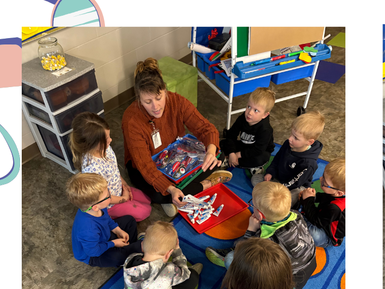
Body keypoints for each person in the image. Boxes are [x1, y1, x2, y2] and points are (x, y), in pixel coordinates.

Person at [121, 57, 231, 218]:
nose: (155, 107)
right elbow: (145, 167)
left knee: (216, 154)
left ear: (165, 90)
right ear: (138, 99)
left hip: (176, 153)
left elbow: (206, 129)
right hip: (144, 164)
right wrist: (170, 189)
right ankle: (203, 185)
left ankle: (176, 197)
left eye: (159, 98)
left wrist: (210, 151)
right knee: (159, 193)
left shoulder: (176, 101)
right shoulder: (131, 120)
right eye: (147, 101)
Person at [205, 181, 317, 289]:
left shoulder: (266, 240)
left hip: (282, 284)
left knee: (231, 258)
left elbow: (247, 253)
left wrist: (251, 230)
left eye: (252, 204)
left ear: (260, 214)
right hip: (308, 264)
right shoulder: (296, 215)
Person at [70, 112, 152, 222]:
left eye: (109, 136)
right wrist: (123, 199)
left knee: (147, 199)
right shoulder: (92, 169)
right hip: (109, 203)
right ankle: (109, 216)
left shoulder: (105, 147)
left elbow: (114, 169)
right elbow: (102, 198)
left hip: (119, 189)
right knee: (145, 211)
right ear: (92, 144)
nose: (111, 140)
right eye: (106, 139)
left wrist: (124, 184)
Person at [121, 221, 203, 289]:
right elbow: (185, 274)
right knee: (192, 277)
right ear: (169, 253)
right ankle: (193, 273)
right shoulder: (169, 271)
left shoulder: (130, 259)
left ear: (142, 245)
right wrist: (177, 251)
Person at [67, 173, 142, 267]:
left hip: (103, 236)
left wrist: (118, 230)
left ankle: (129, 247)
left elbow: (107, 220)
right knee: (117, 257)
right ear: (95, 207)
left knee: (129, 220)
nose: (110, 196)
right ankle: (130, 251)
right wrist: (113, 243)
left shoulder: (99, 207)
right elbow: (94, 252)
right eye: (107, 196)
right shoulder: (88, 230)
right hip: (92, 255)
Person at [255, 110, 325, 203]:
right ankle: (271, 195)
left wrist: (278, 189)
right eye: (291, 133)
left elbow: (295, 183)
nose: (290, 138)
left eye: (296, 137)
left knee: (293, 198)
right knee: (256, 180)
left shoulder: (308, 163)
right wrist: (270, 172)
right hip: (279, 179)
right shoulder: (288, 143)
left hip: (294, 186)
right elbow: (277, 159)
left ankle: (272, 195)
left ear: (310, 142)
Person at [221, 87, 276, 178]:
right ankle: (234, 160)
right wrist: (231, 153)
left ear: (265, 115)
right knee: (222, 143)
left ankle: (242, 164)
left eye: (256, 110)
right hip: (244, 146)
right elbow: (231, 135)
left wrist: (237, 155)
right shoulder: (243, 118)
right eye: (249, 107)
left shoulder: (266, 129)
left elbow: (258, 150)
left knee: (260, 158)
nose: (249, 112)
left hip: (258, 151)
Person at [297, 159, 346, 247]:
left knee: (314, 235)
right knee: (303, 196)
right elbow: (324, 197)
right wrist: (312, 197)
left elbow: (317, 221)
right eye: (323, 176)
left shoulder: (335, 208)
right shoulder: (336, 194)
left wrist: (308, 200)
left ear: (339, 193)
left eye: (325, 183)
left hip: (327, 235)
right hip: (323, 218)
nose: (320, 179)